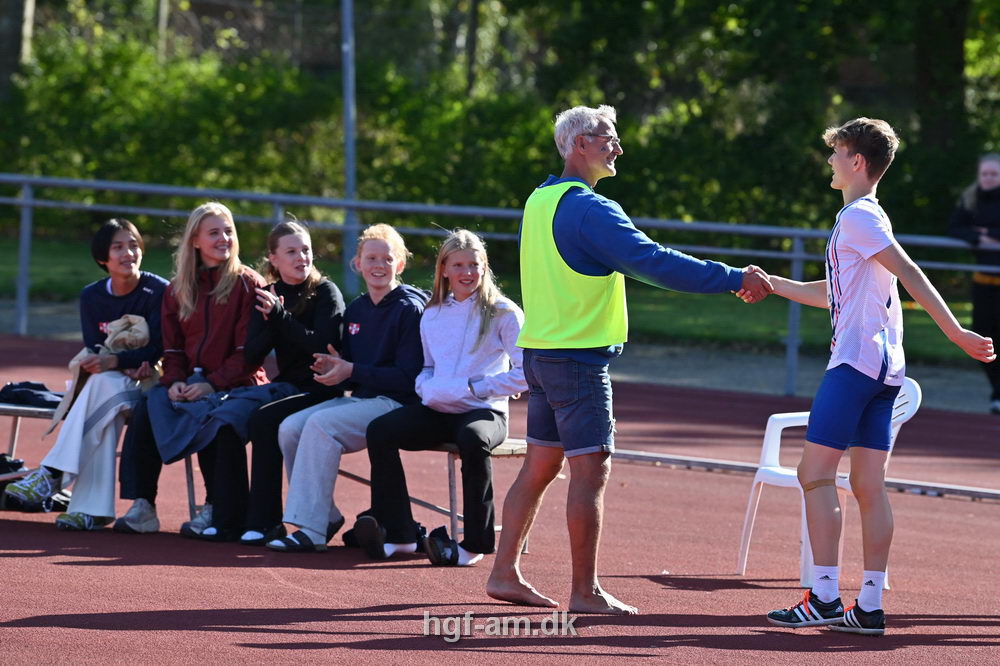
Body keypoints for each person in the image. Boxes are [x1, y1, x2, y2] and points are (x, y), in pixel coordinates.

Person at [485, 104, 773, 615]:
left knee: (539, 465)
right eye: (607, 138)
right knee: (589, 472)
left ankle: (505, 572)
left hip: (543, 353)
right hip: (576, 359)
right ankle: (584, 592)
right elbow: (653, 263)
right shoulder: (591, 208)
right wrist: (733, 277)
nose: (617, 147)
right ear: (578, 145)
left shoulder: (539, 198)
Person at [761, 118, 995, 636]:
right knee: (868, 484)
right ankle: (868, 607)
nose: (829, 160)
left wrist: (956, 332)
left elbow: (910, 272)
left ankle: (823, 597)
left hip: (855, 366)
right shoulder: (870, 218)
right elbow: (835, 290)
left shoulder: (857, 217)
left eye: (836, 152)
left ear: (857, 161)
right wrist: (776, 284)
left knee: (814, 474)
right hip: (886, 370)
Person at [358, 229, 527, 565]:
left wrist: (478, 388)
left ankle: (474, 545)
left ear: (484, 267)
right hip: (438, 409)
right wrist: (426, 388)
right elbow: (427, 368)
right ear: (444, 271)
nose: (467, 273)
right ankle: (402, 534)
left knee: (472, 439)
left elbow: (526, 373)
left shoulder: (504, 312)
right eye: (459, 265)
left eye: (474, 265)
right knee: (380, 430)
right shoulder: (432, 313)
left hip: (484, 411)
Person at [266, 223, 428, 553]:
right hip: (365, 401)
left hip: (399, 406)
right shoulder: (356, 308)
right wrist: (336, 371)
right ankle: (324, 516)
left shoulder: (409, 308)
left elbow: (409, 378)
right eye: (371, 258)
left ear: (400, 264)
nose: (379, 265)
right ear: (357, 263)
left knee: (319, 425)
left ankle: (310, 530)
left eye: (387, 258)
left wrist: (351, 370)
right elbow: (352, 374)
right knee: (290, 427)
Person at [3, 220, 168, 530]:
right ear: (102, 259)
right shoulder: (91, 296)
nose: (128, 253)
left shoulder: (158, 291)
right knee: (105, 395)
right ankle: (91, 510)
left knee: (104, 386)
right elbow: (95, 347)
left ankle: (54, 473)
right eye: (118, 247)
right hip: (110, 388)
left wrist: (118, 360)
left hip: (151, 386)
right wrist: (117, 362)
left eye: (133, 245)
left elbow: (159, 348)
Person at [115, 202, 268, 534]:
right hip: (190, 383)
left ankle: (215, 507)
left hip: (238, 385)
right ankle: (143, 505)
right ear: (195, 240)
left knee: (213, 417)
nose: (224, 239)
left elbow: (249, 354)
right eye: (214, 233)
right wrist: (173, 381)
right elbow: (172, 349)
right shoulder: (178, 289)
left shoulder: (248, 285)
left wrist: (212, 384)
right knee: (146, 408)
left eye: (228, 231)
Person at [195, 221, 345, 544]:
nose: (302, 257)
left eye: (305, 250)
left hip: (321, 389)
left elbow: (323, 345)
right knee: (225, 419)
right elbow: (252, 353)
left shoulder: (325, 293)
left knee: (264, 421)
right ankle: (227, 518)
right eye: (291, 251)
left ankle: (265, 523)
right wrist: (266, 322)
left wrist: (280, 318)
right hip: (287, 387)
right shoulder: (269, 295)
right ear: (273, 259)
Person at [948, 153, 1000, 414]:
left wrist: (986, 232)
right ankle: (997, 391)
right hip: (983, 281)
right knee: (982, 336)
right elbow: (954, 227)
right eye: (985, 174)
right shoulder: (971, 198)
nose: (988, 178)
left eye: (994, 174)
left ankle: (998, 394)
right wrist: (981, 238)